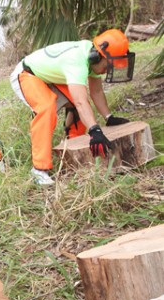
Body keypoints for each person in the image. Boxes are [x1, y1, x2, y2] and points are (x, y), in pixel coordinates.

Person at [10, 29, 135, 185]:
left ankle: (74, 145)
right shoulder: (77, 62)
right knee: (46, 108)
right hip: (28, 73)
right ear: (97, 57)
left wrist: (109, 117)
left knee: (80, 104)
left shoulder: (93, 57)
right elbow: (80, 101)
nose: (107, 71)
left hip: (51, 76)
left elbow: (96, 92)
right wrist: (95, 130)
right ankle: (39, 170)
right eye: (108, 66)